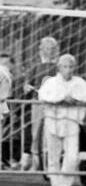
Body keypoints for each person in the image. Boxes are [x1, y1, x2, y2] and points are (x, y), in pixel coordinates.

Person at [36, 54, 86, 186]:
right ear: (59, 68)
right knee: (53, 156)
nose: (68, 70)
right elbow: (42, 96)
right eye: (65, 66)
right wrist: (60, 99)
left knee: (72, 156)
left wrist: (76, 100)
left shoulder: (79, 82)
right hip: (53, 122)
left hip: (71, 122)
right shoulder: (51, 82)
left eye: (70, 67)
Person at [22, 36, 60, 171]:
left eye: (51, 48)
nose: (48, 51)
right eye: (46, 48)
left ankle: (49, 163)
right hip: (37, 104)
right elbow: (26, 85)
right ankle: (35, 162)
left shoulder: (59, 67)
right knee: (35, 133)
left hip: (54, 105)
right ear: (41, 50)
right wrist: (28, 87)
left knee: (50, 133)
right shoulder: (36, 67)